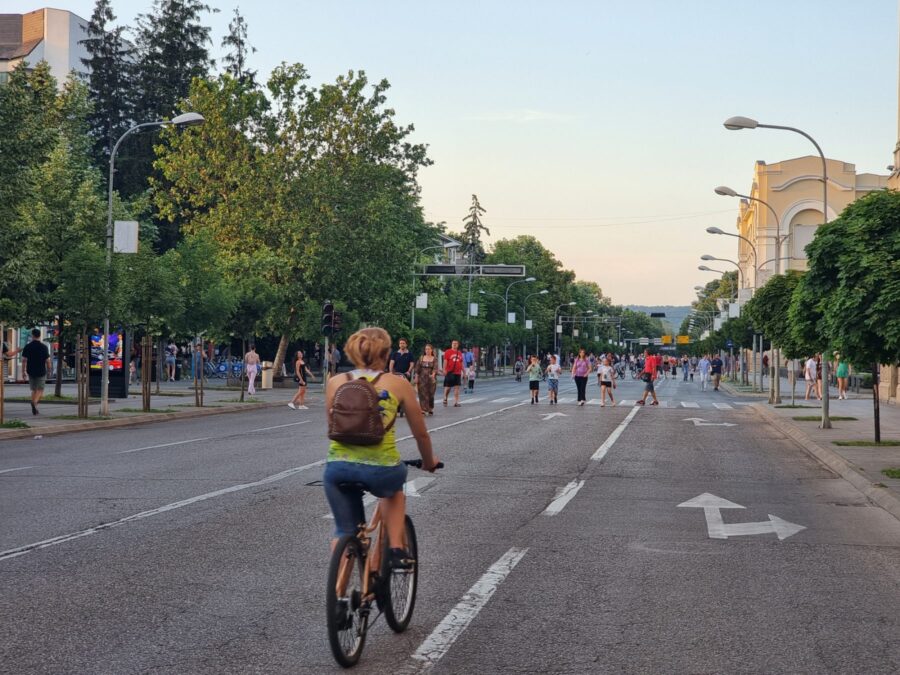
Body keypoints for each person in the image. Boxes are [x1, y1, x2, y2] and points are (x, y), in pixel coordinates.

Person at [323, 327, 438, 567]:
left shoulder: (335, 382)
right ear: (386, 354)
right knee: (394, 489)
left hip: (337, 468)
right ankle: (396, 549)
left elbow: (331, 426)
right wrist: (429, 461)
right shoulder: (397, 384)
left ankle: (338, 594)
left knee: (344, 531)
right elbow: (421, 434)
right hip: (381, 468)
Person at [21, 329, 51, 416]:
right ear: (40, 335)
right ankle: (34, 403)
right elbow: (48, 361)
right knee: (40, 389)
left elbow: (24, 360)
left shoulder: (28, 346)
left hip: (30, 370)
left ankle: (35, 406)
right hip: (41, 370)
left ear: (33, 335)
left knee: (34, 389)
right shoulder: (44, 347)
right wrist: (49, 370)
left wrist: (23, 372)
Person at [389, 338, 415, 416]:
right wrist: (390, 372)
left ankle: (404, 407)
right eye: (400, 343)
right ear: (399, 344)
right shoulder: (395, 354)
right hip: (396, 375)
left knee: (404, 391)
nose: (402, 345)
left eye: (403, 343)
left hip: (405, 375)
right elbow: (391, 363)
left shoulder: (409, 354)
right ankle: (396, 407)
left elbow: (412, 364)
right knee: (395, 391)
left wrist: (409, 371)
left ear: (406, 344)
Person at [414, 344, 439, 415]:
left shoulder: (434, 359)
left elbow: (435, 368)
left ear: (431, 350)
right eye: (426, 349)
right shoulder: (421, 358)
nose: (427, 350)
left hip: (431, 378)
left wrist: (433, 375)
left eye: (429, 349)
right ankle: (423, 409)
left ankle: (430, 408)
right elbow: (417, 369)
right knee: (422, 393)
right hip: (422, 378)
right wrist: (416, 377)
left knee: (431, 394)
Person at [442, 339, 464, 407]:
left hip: (457, 372)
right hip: (449, 372)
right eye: (453, 343)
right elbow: (445, 361)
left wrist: (464, 371)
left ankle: (456, 402)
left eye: (456, 343)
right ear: (451, 344)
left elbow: (461, 362)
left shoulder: (459, 353)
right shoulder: (448, 352)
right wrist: (444, 370)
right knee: (448, 387)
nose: (454, 344)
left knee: (457, 387)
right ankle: (445, 397)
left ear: (458, 345)